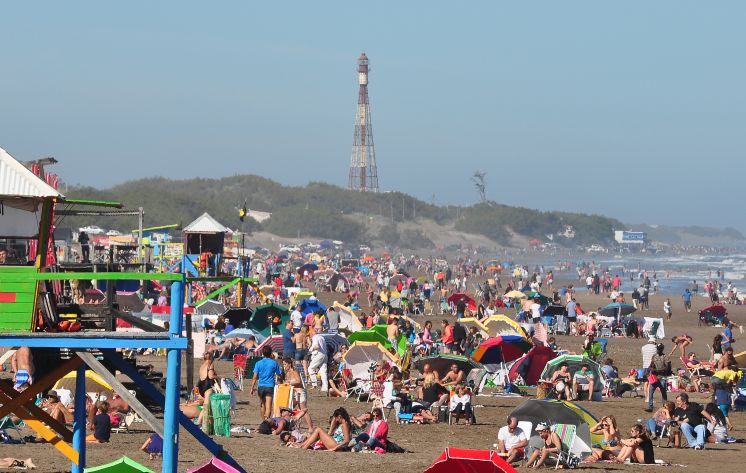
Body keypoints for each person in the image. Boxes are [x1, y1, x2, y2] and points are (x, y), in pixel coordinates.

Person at [250, 345, 282, 419]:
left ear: (262, 353)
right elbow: (279, 375)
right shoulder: (274, 363)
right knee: (268, 407)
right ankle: (266, 424)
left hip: (260, 386)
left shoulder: (258, 363)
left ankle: (264, 422)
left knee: (262, 405)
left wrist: (252, 388)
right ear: (271, 353)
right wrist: (281, 381)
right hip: (269, 386)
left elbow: (254, 377)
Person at [281, 357, 313, 429]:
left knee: (303, 409)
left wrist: (289, 383)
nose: (284, 366)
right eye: (283, 364)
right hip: (295, 393)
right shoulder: (287, 373)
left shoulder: (294, 371)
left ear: (289, 364)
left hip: (300, 392)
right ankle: (293, 423)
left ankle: (310, 427)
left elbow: (298, 381)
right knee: (289, 408)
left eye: (285, 364)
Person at [646, 343, 671, 412]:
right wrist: (649, 370)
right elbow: (651, 365)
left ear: (662, 349)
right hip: (655, 377)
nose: (658, 350)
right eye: (657, 349)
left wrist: (657, 370)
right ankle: (650, 407)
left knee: (663, 392)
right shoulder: (654, 356)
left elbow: (667, 368)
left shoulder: (666, 357)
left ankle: (665, 407)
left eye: (659, 349)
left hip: (662, 377)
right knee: (651, 391)